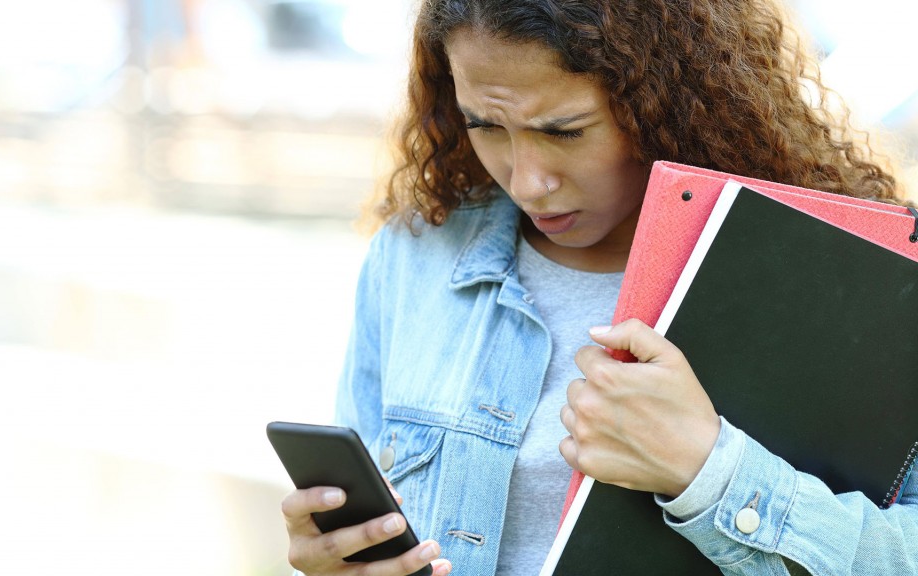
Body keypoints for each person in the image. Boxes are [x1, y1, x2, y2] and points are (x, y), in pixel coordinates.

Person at [278, 0, 915, 574]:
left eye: (563, 131)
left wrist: (709, 470)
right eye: (486, 125)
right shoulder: (417, 253)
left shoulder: (851, 282)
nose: (526, 182)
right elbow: (369, 506)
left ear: (664, 102)